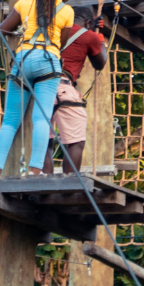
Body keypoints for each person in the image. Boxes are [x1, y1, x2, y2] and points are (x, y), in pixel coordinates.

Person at [0, 0, 76, 177]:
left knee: (10, 120)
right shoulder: (67, 11)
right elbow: (61, 43)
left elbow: (2, 29)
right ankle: (35, 170)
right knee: (42, 119)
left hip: (23, 59)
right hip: (48, 62)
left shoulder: (26, 2)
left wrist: (22, 30)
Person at [46, 13, 109, 173]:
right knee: (76, 141)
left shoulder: (54, 30)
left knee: (46, 141)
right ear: (87, 23)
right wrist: (100, 39)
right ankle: (69, 182)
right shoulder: (89, 36)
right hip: (63, 87)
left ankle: (43, 181)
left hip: (41, 86)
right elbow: (100, 63)